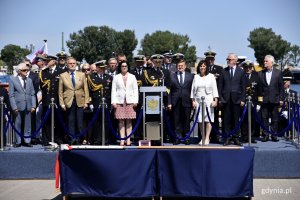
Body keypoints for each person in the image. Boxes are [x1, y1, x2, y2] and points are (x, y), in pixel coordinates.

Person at [58, 57, 90, 145]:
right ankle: (71, 139)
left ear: (76, 64)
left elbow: (86, 89)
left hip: (80, 100)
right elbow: (60, 91)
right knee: (70, 121)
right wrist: (62, 104)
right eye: (70, 63)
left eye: (74, 63)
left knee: (80, 122)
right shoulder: (63, 75)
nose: (72, 65)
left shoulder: (82, 75)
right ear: (67, 65)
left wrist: (86, 102)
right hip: (68, 101)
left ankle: (79, 139)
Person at [218, 53, 246, 146]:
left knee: (235, 119)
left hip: (237, 99)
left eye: (230, 59)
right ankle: (227, 138)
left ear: (235, 60)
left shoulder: (240, 71)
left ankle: (236, 137)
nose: (228, 61)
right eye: (227, 59)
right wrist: (220, 99)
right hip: (225, 100)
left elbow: (243, 87)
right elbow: (220, 86)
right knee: (226, 119)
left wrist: (243, 99)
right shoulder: (223, 71)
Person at [191, 60, 218, 145]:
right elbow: (192, 90)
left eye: (204, 66)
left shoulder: (211, 76)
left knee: (208, 120)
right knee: (199, 120)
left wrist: (215, 100)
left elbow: (215, 89)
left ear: (206, 67)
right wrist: (193, 100)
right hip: (199, 100)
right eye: (201, 66)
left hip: (209, 100)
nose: (202, 67)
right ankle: (202, 137)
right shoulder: (196, 76)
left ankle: (207, 138)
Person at [40, 55, 66, 145]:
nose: (47, 62)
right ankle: (46, 139)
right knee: (47, 120)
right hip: (47, 99)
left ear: (54, 61)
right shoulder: (44, 71)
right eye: (47, 61)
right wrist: (46, 67)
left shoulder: (61, 71)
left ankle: (58, 138)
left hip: (57, 99)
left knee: (58, 120)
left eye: (49, 61)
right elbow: (41, 82)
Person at [111, 61, 138, 146]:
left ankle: (128, 139)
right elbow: (113, 91)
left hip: (130, 101)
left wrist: (135, 101)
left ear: (128, 67)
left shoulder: (132, 77)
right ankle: (122, 139)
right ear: (120, 67)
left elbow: (135, 90)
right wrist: (113, 102)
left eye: (125, 66)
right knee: (121, 121)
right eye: (122, 66)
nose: (124, 67)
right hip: (120, 101)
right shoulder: (116, 77)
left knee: (129, 121)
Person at [9, 63, 36, 147]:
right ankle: (18, 141)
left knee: (28, 124)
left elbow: (32, 94)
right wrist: (14, 107)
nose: (26, 71)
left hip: (28, 105)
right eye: (24, 70)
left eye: (27, 70)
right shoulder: (12, 79)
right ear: (19, 71)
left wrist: (33, 105)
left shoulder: (29, 80)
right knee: (18, 123)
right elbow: (11, 95)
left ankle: (27, 140)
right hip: (18, 106)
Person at [168, 59, 194, 145]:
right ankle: (177, 138)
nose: (180, 67)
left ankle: (186, 137)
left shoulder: (190, 76)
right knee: (176, 121)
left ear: (185, 66)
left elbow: (193, 90)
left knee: (186, 120)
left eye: (182, 65)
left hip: (187, 101)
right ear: (176, 67)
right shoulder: (172, 76)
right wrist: (169, 102)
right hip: (175, 102)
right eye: (179, 66)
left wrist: (193, 100)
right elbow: (169, 91)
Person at [258, 55, 284, 142]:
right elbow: (259, 88)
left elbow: (281, 87)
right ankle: (265, 135)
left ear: (271, 62)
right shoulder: (260, 73)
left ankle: (274, 135)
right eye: (264, 61)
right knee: (264, 118)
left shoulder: (278, 73)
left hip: (275, 99)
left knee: (275, 118)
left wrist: (281, 99)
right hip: (264, 100)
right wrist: (259, 99)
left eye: (266, 61)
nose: (264, 62)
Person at [87, 60, 113, 145]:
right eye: (101, 68)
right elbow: (89, 90)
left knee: (106, 122)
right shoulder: (91, 77)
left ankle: (105, 139)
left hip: (106, 102)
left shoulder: (109, 77)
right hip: (96, 102)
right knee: (96, 122)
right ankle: (97, 139)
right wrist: (90, 103)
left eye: (104, 68)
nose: (103, 69)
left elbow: (111, 91)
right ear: (97, 68)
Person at [204, 51, 223, 143]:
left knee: (214, 118)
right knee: (204, 117)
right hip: (205, 97)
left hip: (215, 98)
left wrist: (218, 98)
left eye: (211, 59)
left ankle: (215, 136)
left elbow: (221, 85)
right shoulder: (203, 68)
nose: (210, 60)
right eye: (208, 59)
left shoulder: (219, 69)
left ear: (214, 59)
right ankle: (204, 136)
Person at [240, 61, 259, 143]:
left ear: (252, 68)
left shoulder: (256, 76)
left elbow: (260, 90)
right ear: (243, 68)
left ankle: (252, 136)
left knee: (253, 120)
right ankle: (244, 136)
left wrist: (259, 103)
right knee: (243, 119)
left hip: (253, 101)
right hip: (243, 101)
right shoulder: (241, 76)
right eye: (246, 67)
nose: (248, 69)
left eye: (249, 67)